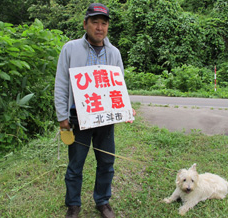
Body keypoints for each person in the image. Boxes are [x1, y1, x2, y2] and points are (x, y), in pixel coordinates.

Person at [54, 3, 135, 218]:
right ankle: (73, 205)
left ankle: (102, 201)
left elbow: (119, 85)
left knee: (107, 161)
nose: (100, 28)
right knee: (76, 164)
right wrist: (62, 117)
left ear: (108, 27)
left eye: (104, 23)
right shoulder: (70, 49)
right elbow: (62, 83)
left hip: (105, 118)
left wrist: (125, 108)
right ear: (85, 24)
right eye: (95, 22)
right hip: (79, 117)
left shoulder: (114, 53)